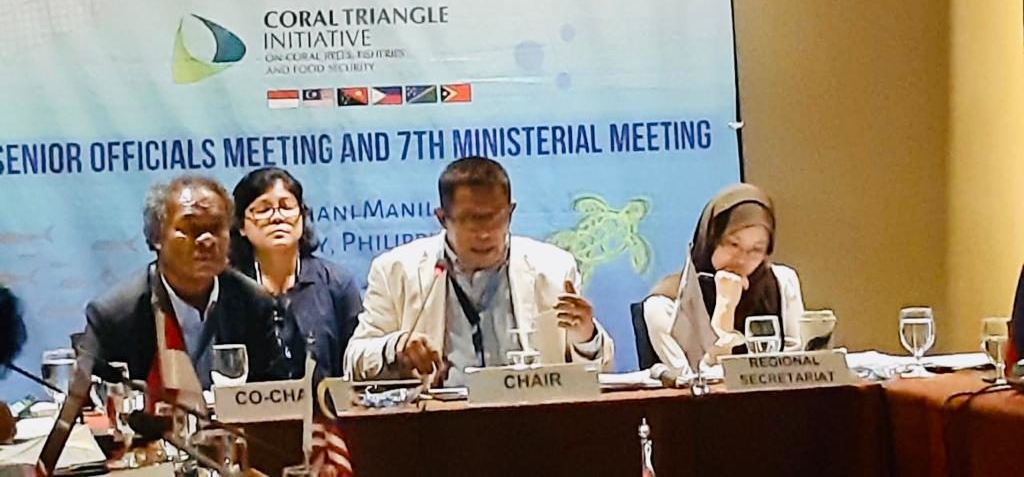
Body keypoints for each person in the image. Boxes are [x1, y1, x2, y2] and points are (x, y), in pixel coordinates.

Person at [345, 157, 614, 385]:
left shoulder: (553, 268)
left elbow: (597, 371)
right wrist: (395, 349)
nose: (485, 234)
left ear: (511, 212)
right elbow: (354, 361)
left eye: (495, 218)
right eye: (471, 220)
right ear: (442, 218)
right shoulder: (396, 271)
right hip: (439, 420)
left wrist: (585, 336)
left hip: (531, 416)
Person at [84, 175, 284, 390]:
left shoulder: (253, 303)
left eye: (216, 228)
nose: (207, 240)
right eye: (191, 228)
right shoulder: (116, 315)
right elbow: (93, 400)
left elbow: (273, 392)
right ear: (157, 236)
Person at [643, 183, 804, 372]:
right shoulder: (665, 306)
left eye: (756, 249)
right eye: (733, 244)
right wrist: (724, 313)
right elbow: (688, 382)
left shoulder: (782, 283)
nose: (742, 259)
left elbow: (799, 366)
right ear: (710, 239)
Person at [230, 167, 361, 379]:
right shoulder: (229, 289)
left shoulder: (336, 284)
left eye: (286, 207)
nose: (277, 217)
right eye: (263, 209)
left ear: (302, 216)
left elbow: (355, 363)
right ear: (241, 226)